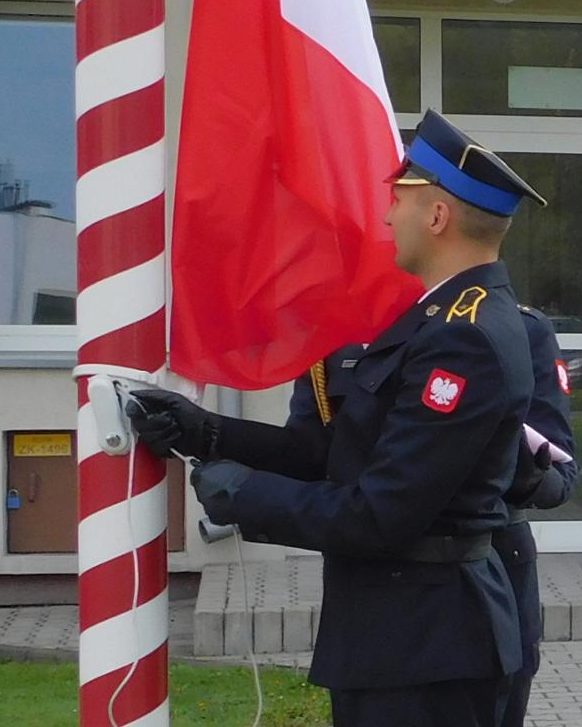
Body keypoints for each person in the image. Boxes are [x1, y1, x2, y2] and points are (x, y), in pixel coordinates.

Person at [126, 109, 545, 727]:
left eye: (397, 200)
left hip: (429, 648)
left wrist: (247, 496)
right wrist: (206, 431)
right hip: (405, 641)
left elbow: (381, 515)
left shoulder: (465, 339)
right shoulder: (437, 324)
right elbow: (336, 455)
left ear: (436, 216)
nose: (384, 216)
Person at [499, 305, 579, 725]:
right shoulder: (351, 324)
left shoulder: (520, 329)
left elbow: (560, 472)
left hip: (495, 556)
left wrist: (525, 472)